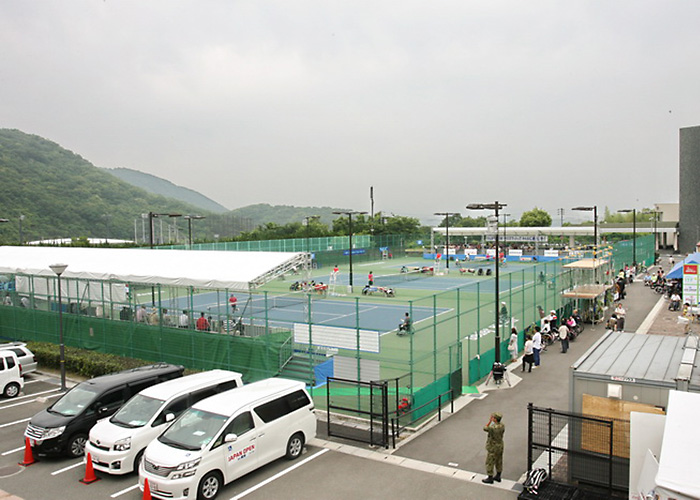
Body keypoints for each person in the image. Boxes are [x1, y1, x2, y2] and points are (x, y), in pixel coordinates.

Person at [482, 412, 505, 484]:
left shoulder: (492, 427)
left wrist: (489, 422)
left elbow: (485, 428)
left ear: (495, 419)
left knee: (490, 462)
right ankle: (498, 475)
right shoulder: (502, 425)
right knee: (499, 460)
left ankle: (490, 477)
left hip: (493, 446)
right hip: (500, 445)